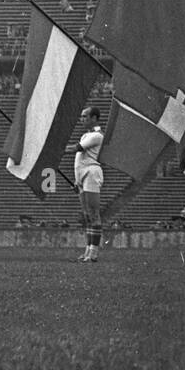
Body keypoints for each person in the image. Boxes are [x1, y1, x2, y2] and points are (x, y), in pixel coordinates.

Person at [69, 106, 104, 263]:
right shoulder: (85, 135)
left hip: (91, 173)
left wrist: (54, 151)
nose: (82, 119)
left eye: (85, 116)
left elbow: (77, 149)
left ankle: (94, 252)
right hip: (81, 176)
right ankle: (87, 251)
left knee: (94, 214)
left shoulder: (97, 135)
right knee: (87, 216)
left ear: (94, 118)